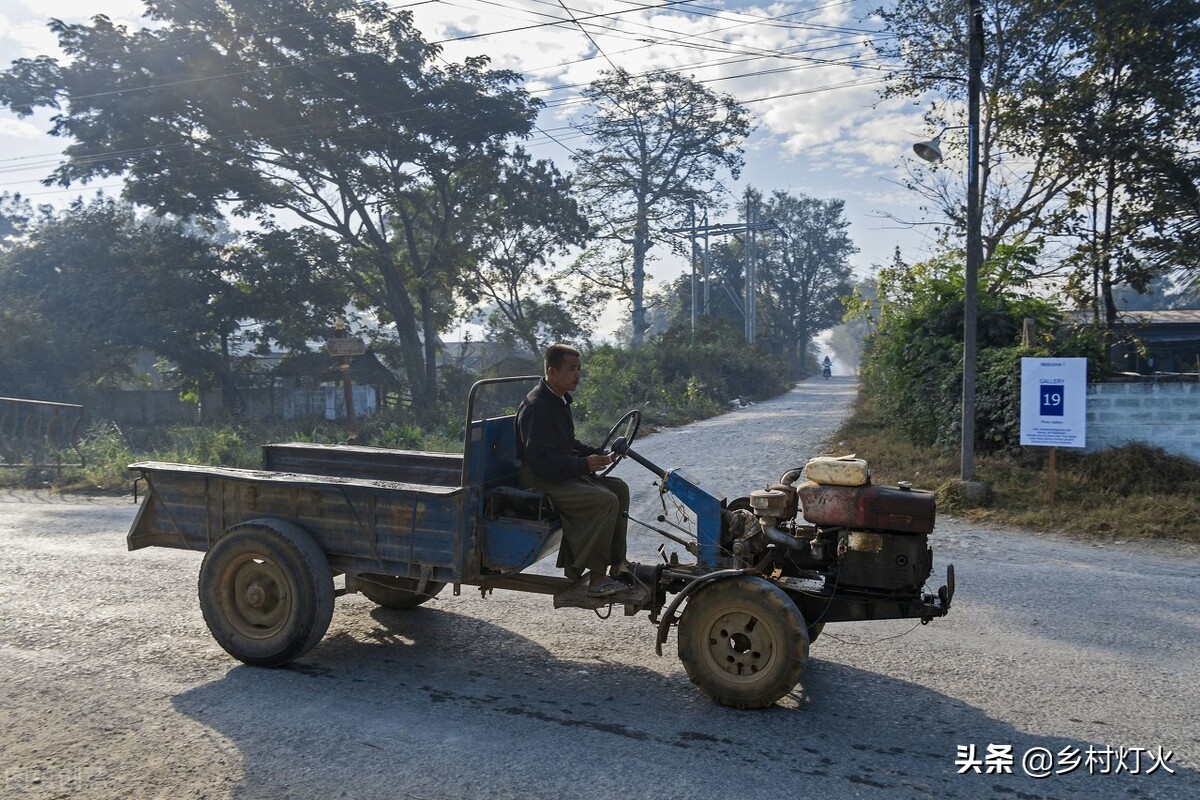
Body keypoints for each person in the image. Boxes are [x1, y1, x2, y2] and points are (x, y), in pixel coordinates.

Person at [516, 344, 630, 598]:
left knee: (619, 489)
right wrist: (583, 465)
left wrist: (596, 454)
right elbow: (541, 461)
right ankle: (596, 577)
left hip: (558, 472)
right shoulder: (537, 406)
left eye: (579, 369)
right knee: (605, 500)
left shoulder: (559, 400)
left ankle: (618, 563)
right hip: (540, 479)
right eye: (571, 369)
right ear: (552, 372)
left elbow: (568, 445)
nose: (577, 374)